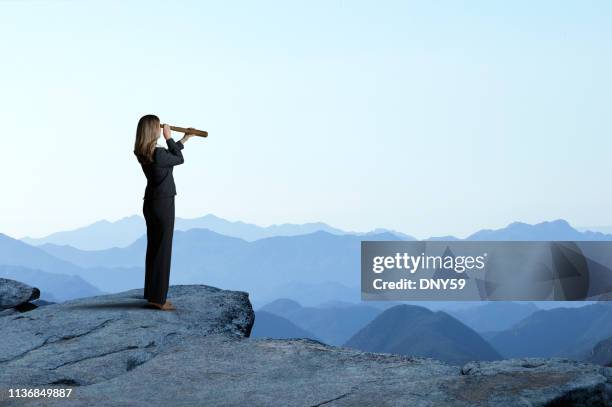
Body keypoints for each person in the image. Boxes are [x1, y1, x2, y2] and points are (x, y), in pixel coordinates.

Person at [133, 114, 195, 310]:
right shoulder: (159, 152)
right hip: (163, 203)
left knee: (154, 247)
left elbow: (169, 157)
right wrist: (169, 137)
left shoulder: (143, 151)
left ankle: (151, 292)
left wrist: (184, 139)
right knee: (163, 250)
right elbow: (178, 158)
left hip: (150, 203)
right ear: (154, 130)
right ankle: (158, 300)